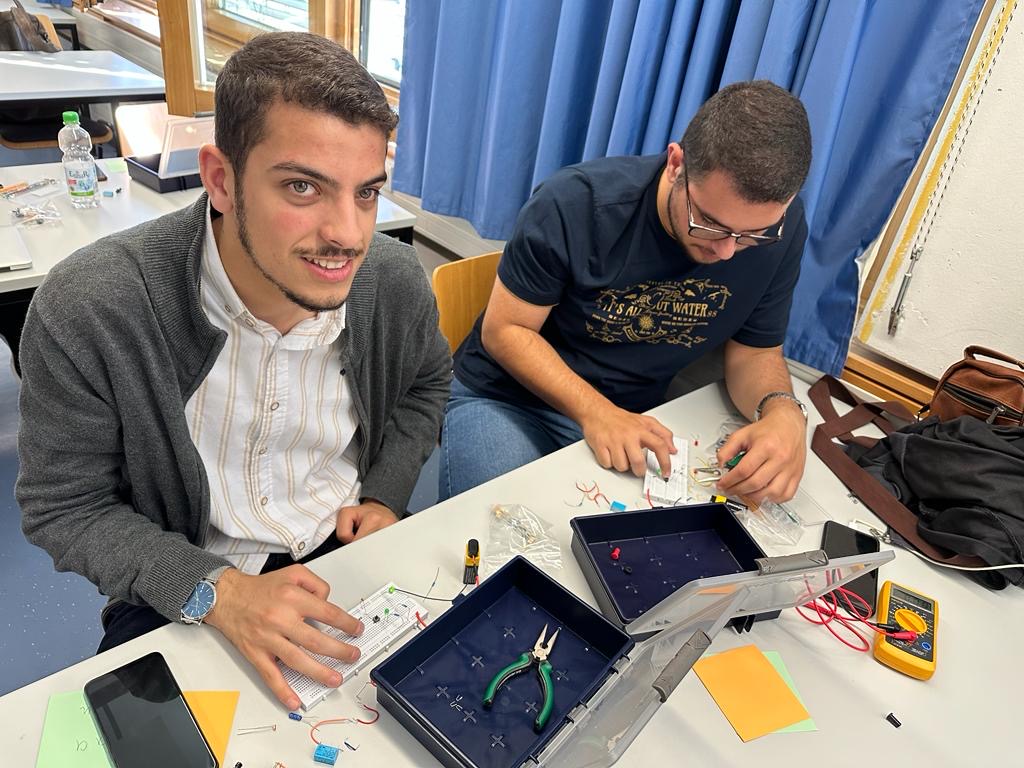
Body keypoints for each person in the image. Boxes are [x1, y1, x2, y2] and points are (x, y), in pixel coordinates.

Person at [16, 33, 451, 710]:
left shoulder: (392, 281)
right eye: (303, 187)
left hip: (346, 544)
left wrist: (388, 493)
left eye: (367, 192)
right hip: (185, 577)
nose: (348, 234)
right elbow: (64, 506)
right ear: (221, 180)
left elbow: (426, 383)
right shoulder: (93, 307)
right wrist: (217, 591)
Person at [442, 80, 812, 505]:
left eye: (752, 235)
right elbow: (506, 330)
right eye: (710, 224)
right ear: (676, 164)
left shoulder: (780, 229)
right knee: (496, 527)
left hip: (633, 419)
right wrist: (596, 412)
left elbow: (755, 352)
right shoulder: (575, 205)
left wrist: (782, 410)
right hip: (508, 400)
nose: (726, 251)